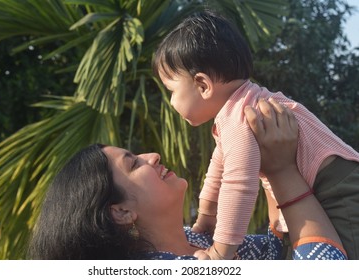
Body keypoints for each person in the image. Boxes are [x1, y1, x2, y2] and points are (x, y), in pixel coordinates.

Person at [152, 9, 359, 260]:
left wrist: (222, 250)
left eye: (171, 90)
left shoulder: (241, 116)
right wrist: (206, 214)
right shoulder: (239, 108)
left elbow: (238, 184)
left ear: (203, 85)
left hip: (341, 191)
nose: (171, 102)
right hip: (333, 185)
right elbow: (219, 165)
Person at [27, 99, 346, 260]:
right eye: (133, 163)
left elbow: (274, 249)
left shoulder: (195, 240)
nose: (152, 156)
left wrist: (263, 166)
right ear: (121, 211)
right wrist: (283, 172)